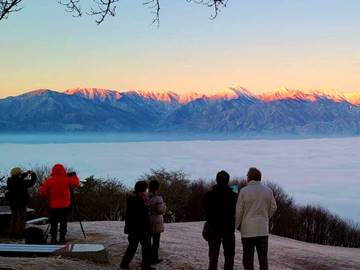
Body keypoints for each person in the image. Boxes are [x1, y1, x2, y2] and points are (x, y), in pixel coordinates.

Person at [235, 167, 277, 270]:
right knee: (263, 258)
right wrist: (266, 217)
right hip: (263, 229)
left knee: (248, 259)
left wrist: (236, 225)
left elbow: (239, 211)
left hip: (248, 230)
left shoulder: (244, 191)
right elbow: (274, 207)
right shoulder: (268, 191)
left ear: (249, 178)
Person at [203, 170, 238, 270]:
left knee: (213, 256)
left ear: (216, 180)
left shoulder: (209, 195)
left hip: (213, 228)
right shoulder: (233, 195)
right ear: (228, 181)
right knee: (229, 257)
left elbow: (205, 207)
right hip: (228, 229)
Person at [39, 164, 79, 244]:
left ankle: (53, 239)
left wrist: (48, 195)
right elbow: (76, 183)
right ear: (63, 170)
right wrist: (74, 176)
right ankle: (62, 238)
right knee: (63, 222)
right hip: (65, 205)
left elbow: (42, 192)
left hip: (53, 205)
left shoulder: (49, 180)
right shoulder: (67, 179)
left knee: (53, 223)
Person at [120, 181, 154, 270]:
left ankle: (124, 264)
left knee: (133, 247)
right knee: (145, 248)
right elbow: (142, 215)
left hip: (134, 228)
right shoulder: (140, 199)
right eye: (146, 188)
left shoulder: (133, 198)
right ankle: (145, 266)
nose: (147, 190)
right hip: (141, 228)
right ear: (143, 189)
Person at [6, 168, 37, 238]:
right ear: (18, 174)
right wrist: (33, 174)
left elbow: (18, 178)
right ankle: (19, 233)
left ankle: (12, 231)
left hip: (12, 202)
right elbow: (32, 182)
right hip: (21, 202)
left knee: (14, 217)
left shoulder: (10, 181)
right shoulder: (21, 182)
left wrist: (26, 173)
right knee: (21, 218)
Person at [148, 179, 166, 264]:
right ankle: (154, 258)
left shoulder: (146, 196)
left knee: (147, 242)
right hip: (156, 221)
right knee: (155, 242)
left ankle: (147, 258)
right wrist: (164, 206)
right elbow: (160, 210)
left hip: (147, 220)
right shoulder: (158, 198)